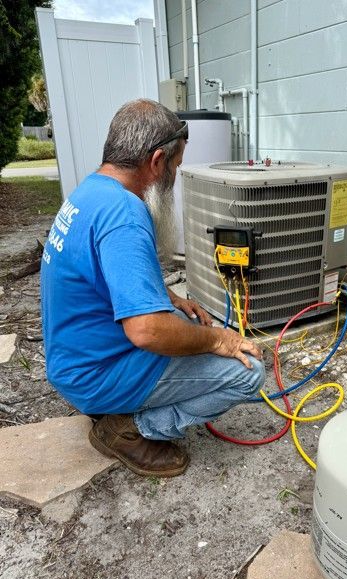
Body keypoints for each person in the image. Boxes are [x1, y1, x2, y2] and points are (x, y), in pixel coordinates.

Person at [40, 99, 265, 478]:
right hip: (95, 375)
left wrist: (169, 297)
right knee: (249, 373)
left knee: (180, 316)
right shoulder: (125, 216)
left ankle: (123, 404)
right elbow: (145, 330)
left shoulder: (91, 192)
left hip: (74, 361)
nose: (174, 177)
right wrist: (217, 341)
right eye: (175, 167)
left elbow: (103, 274)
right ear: (157, 160)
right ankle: (131, 430)